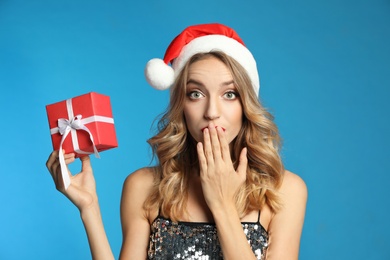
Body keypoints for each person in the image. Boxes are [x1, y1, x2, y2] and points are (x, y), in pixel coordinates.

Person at [46, 23, 307, 260]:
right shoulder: (143, 187)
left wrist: (222, 203)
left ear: (246, 105)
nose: (212, 111)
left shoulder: (285, 191)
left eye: (229, 94)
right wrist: (89, 208)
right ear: (181, 105)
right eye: (196, 93)